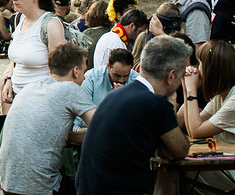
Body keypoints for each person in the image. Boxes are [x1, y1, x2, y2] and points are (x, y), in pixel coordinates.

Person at [76, 35, 192, 195]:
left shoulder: (115, 96)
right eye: (182, 74)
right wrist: (178, 98)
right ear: (171, 76)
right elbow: (181, 150)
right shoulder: (155, 103)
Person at [0, 42, 97, 195]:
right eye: (84, 71)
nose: (84, 78)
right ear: (76, 71)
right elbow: (102, 125)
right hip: (38, 188)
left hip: (7, 183)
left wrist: (69, 137)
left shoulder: (30, 87)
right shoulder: (70, 89)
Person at [178, 40, 235, 192]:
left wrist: (191, 90)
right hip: (229, 166)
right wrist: (186, 87)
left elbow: (196, 131)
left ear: (212, 69)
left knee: (178, 167)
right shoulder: (221, 96)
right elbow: (192, 127)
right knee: (176, 166)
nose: (197, 68)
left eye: (200, 63)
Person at [0, 0, 64, 111]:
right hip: (16, 97)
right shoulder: (19, 19)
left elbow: (60, 69)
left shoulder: (50, 24)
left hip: (39, 102)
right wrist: (9, 79)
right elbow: (16, 60)